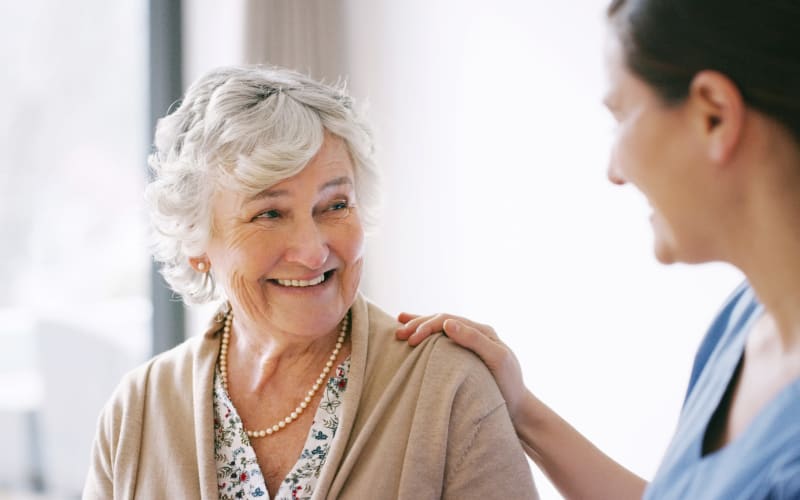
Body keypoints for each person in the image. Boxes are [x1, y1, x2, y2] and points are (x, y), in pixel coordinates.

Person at [397, 0, 800, 498]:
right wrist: (521, 409)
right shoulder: (742, 322)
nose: (616, 170)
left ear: (713, 115)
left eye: (622, 116)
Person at [82, 66, 537, 499]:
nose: (313, 250)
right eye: (270, 213)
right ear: (196, 242)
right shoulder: (136, 413)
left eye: (335, 205)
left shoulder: (447, 387)